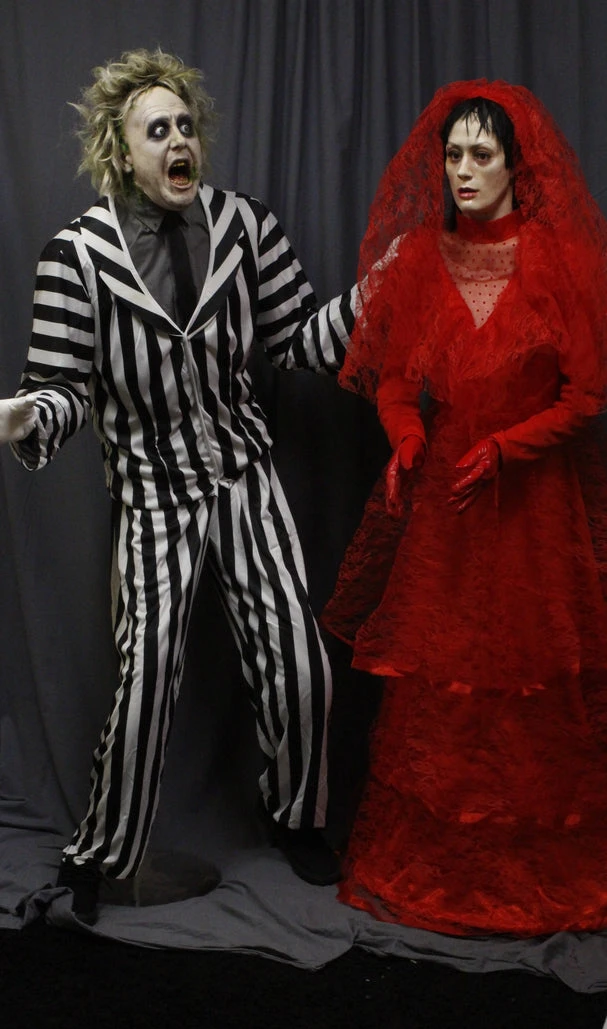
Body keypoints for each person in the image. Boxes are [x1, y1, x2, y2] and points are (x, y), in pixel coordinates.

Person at [4, 47, 356, 924]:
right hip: (153, 493)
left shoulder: (246, 227)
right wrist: (27, 415)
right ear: (122, 152)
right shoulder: (76, 256)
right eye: (156, 130)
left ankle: (297, 818)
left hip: (242, 475)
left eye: (185, 126)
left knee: (300, 659)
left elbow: (298, 341)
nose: (177, 142)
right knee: (147, 673)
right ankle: (101, 856)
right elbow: (63, 388)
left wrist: (377, 299)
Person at [322, 79, 607, 937]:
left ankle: (527, 872)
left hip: (531, 514)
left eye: (481, 154)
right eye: (452, 155)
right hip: (445, 512)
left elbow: (586, 395)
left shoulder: (561, 260)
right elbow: (396, 384)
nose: (463, 170)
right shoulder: (417, 258)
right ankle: (443, 871)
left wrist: (508, 447)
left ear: (517, 165)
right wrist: (407, 438)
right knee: (440, 685)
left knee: (528, 682)